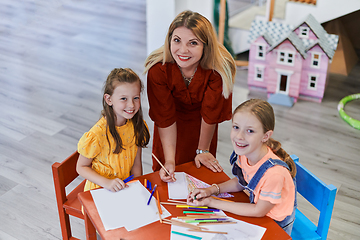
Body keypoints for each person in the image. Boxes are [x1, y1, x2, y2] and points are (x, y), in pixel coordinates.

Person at [144, 10, 236, 182]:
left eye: (193, 43)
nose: (183, 50)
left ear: (205, 46)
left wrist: (202, 150)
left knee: (199, 178)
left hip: (202, 131)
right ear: (169, 40)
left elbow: (210, 114)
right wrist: (169, 159)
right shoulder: (158, 70)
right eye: (177, 40)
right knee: (167, 179)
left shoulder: (218, 71)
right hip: (168, 131)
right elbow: (164, 117)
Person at [187, 99, 297, 235]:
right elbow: (242, 181)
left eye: (250, 131)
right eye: (236, 127)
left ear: (265, 136)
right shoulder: (246, 152)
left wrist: (211, 202)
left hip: (275, 225)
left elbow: (258, 211)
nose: (239, 136)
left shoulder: (274, 174)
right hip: (258, 213)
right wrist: (212, 190)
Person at [76, 68, 150, 192]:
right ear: (109, 100)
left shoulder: (137, 126)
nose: (131, 105)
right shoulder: (97, 135)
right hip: (100, 191)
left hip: (125, 188)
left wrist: (138, 188)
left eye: (136, 98)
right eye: (124, 99)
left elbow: (136, 165)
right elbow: (81, 167)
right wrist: (107, 183)